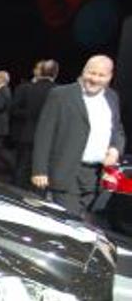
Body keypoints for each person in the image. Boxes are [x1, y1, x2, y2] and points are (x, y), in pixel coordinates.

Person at [32, 55, 125, 216]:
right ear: (83, 71)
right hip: (67, 172)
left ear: (109, 77)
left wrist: (115, 149)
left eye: (101, 75)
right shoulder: (61, 95)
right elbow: (44, 133)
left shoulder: (112, 97)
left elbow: (117, 130)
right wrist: (39, 170)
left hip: (96, 176)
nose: (94, 79)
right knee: (68, 220)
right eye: (91, 73)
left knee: (83, 222)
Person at [11, 59, 58, 189]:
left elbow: (15, 109)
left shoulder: (27, 87)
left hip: (27, 134)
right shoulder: (59, 92)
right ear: (56, 73)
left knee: (21, 169)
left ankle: (16, 194)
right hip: (48, 139)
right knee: (41, 173)